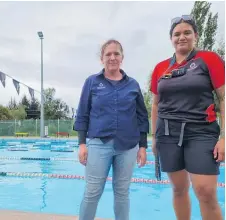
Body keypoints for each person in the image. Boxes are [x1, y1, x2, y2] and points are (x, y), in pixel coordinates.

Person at [150, 15, 225, 220]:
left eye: (186, 33)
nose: (181, 37)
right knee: (178, 189)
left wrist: (224, 137)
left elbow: (223, 98)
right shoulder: (160, 67)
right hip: (168, 133)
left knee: (205, 191)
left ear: (195, 36)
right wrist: (155, 137)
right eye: (177, 34)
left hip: (201, 131)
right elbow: (155, 104)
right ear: (171, 38)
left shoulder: (209, 59)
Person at [73, 39, 149, 220]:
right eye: (108, 54)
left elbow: (141, 116)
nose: (112, 57)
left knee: (122, 194)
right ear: (102, 58)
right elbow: (83, 113)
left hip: (128, 146)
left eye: (116, 54)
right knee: (92, 192)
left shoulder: (133, 85)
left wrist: (143, 146)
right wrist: (82, 144)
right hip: (99, 144)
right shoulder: (92, 82)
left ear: (122, 57)